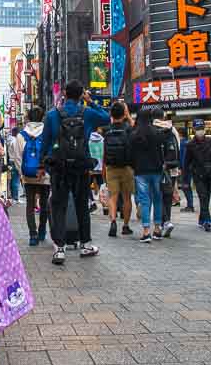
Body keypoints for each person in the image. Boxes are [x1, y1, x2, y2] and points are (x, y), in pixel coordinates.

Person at [40, 80, 111, 265]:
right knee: (82, 206)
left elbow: (45, 142)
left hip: (59, 167)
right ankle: (86, 244)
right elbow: (107, 118)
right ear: (81, 95)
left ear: (64, 93)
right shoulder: (87, 113)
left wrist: (43, 166)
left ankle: (60, 249)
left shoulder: (52, 115)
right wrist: (91, 100)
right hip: (81, 166)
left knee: (59, 207)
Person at [13, 107, 50, 247]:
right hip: (44, 175)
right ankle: (42, 231)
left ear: (28, 118)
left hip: (28, 177)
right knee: (44, 204)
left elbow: (17, 158)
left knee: (30, 205)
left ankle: (32, 235)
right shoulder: (47, 133)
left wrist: (22, 173)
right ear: (42, 118)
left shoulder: (21, 135)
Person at [184, 118, 211, 231]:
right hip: (198, 175)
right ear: (194, 130)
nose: (200, 131)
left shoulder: (210, 142)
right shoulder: (190, 145)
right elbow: (186, 163)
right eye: (198, 129)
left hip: (209, 174)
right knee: (202, 196)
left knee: (206, 197)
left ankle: (201, 219)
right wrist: (185, 180)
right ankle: (207, 220)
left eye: (202, 129)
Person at [130, 109, 166, 243]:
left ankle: (146, 231)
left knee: (145, 201)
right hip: (156, 170)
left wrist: (134, 166)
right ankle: (157, 229)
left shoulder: (134, 134)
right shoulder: (157, 132)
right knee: (157, 199)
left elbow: (130, 154)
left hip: (141, 172)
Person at [104, 101, 134, 237]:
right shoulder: (128, 128)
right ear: (124, 114)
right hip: (126, 167)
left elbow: (104, 152)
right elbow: (136, 129)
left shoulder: (107, 130)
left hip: (111, 167)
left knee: (113, 196)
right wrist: (128, 116)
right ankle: (126, 226)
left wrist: (104, 169)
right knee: (127, 197)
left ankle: (113, 221)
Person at [153, 108, 180, 237]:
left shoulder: (152, 129)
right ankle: (167, 222)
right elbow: (178, 148)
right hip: (171, 169)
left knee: (157, 196)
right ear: (163, 116)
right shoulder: (172, 129)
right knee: (167, 197)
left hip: (157, 168)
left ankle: (165, 222)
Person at [178, 130, 195, 212]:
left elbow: (183, 157)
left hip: (185, 169)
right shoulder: (189, 142)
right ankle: (190, 204)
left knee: (186, 187)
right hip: (190, 168)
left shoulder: (182, 143)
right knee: (187, 186)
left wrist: (181, 168)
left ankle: (190, 205)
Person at [6, 127, 21, 202]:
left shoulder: (9, 140)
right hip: (15, 161)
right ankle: (15, 197)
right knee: (16, 180)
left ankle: (13, 197)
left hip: (11, 161)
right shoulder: (15, 141)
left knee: (12, 180)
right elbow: (17, 153)